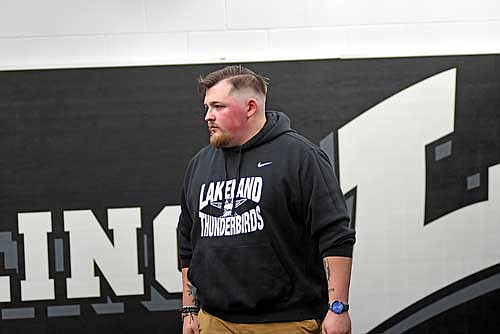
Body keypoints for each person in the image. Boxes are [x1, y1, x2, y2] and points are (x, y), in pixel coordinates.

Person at [177, 65, 356, 334]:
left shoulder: (300, 156)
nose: (208, 116)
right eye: (207, 107)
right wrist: (190, 310)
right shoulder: (200, 164)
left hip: (285, 323)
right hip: (213, 321)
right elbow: (188, 241)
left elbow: (335, 236)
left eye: (218, 107)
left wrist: (338, 308)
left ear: (250, 107)